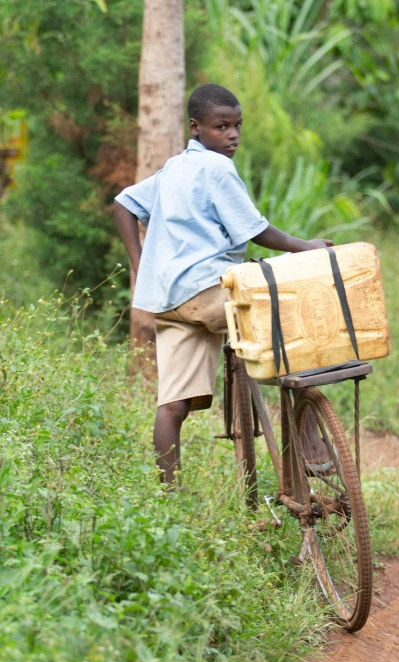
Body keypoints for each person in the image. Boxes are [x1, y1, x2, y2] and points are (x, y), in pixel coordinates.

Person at [114, 83, 332, 485]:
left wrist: (140, 265)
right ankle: (308, 437)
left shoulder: (175, 167)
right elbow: (257, 230)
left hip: (167, 299)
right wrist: (306, 247)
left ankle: (169, 501)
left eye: (237, 126)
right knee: (291, 322)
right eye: (221, 127)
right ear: (196, 127)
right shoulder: (217, 168)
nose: (232, 135)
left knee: (172, 405)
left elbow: (124, 202)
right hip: (206, 291)